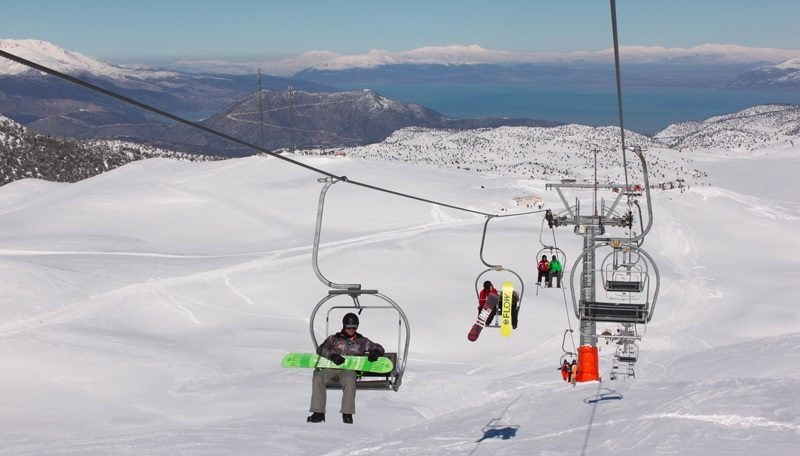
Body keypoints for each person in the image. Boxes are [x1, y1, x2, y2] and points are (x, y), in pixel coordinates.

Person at [307, 312, 384, 425]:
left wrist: (375, 353)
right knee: (318, 377)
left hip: (350, 369)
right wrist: (332, 356)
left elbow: (379, 347)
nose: (351, 329)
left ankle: (347, 413)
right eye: (349, 327)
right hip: (332, 367)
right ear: (344, 326)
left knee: (349, 379)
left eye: (354, 327)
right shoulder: (334, 339)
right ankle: (318, 413)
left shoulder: (362, 341)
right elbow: (321, 349)